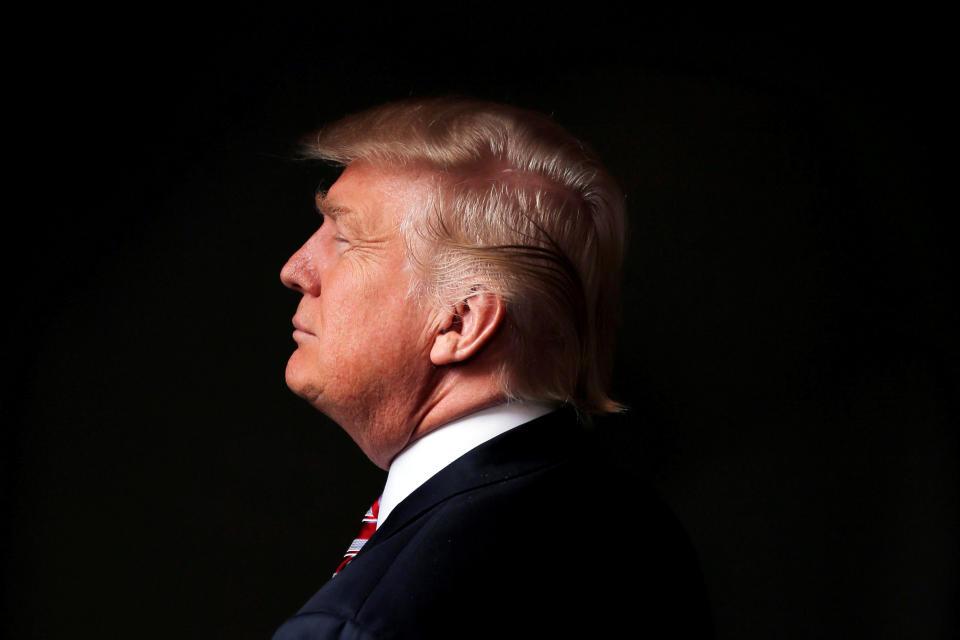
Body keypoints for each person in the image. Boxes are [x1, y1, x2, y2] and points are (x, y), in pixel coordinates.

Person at [273, 97, 713, 639]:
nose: (294, 269)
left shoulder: (365, 622)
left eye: (345, 239)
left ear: (460, 323)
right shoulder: (640, 526)